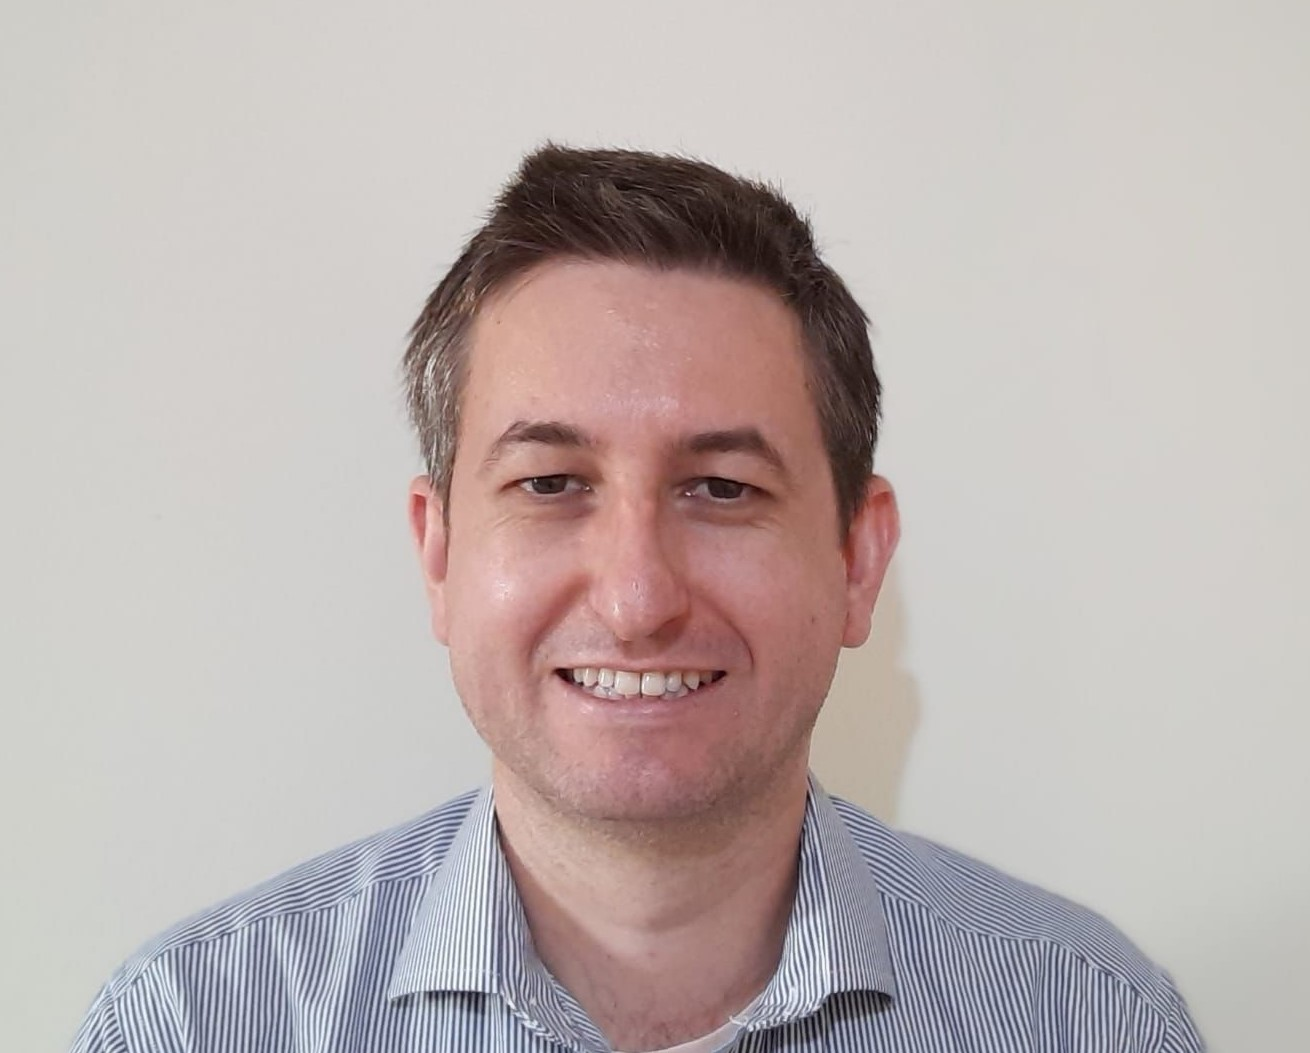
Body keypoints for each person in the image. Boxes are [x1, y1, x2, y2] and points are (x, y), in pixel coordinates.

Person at [71, 145, 1206, 1053]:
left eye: (722, 488)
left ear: (857, 559)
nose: (636, 598)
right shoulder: (192, 1024)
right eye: (550, 484)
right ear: (439, 554)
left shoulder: (1088, 1022)